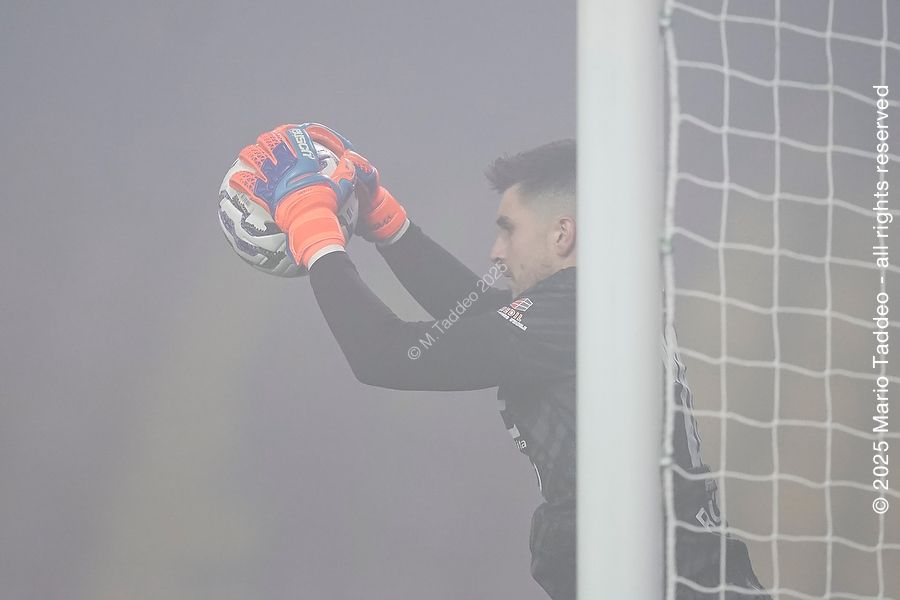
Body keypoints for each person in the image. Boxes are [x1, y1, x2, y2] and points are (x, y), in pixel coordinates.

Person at [225, 122, 769, 599]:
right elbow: (480, 315)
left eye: (508, 229)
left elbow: (385, 356)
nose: (496, 251)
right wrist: (388, 226)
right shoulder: (601, 304)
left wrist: (315, 233)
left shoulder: (578, 315)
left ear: (562, 234)